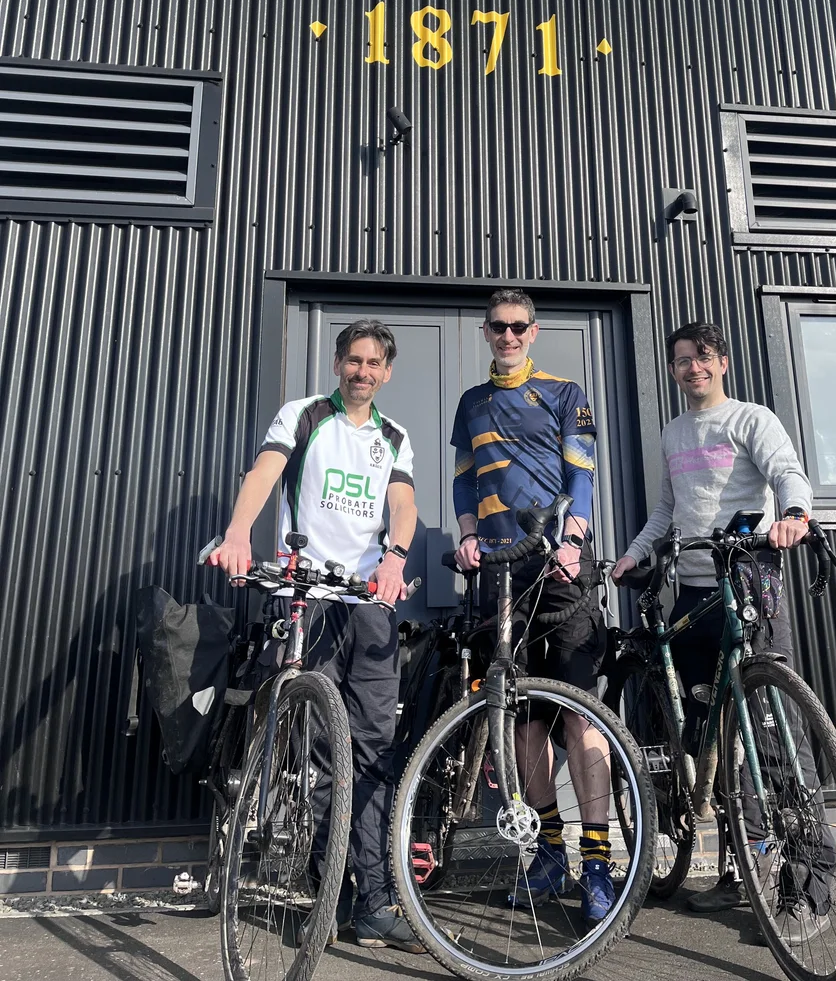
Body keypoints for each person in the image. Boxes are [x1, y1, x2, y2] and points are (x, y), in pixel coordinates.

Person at [612, 320, 836, 946]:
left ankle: (808, 883)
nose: (693, 368)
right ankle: (743, 871)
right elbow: (666, 510)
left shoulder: (751, 419)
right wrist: (635, 553)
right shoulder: (673, 432)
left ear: (723, 362)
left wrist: (794, 515)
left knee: (775, 733)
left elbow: (787, 473)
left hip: (749, 579)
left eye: (703, 357)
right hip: (692, 589)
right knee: (713, 734)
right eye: (682, 360)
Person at [209, 318, 423, 953]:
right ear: (337, 364)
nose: (362, 372)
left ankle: (374, 901)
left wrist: (396, 557)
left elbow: (403, 504)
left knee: (375, 749)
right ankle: (329, 892)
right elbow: (264, 472)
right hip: (309, 595)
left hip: (369, 602)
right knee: (326, 750)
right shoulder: (304, 416)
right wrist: (238, 533)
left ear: (387, 373)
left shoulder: (394, 436)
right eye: (353, 360)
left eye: (374, 363)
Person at [451, 288, 614, 926]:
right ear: (486, 332)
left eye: (519, 326)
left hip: (560, 564)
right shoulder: (471, 402)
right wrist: (468, 533)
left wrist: (574, 538)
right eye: (499, 326)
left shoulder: (565, 392)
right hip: (500, 573)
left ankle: (597, 862)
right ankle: (548, 852)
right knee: (524, 722)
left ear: (534, 331)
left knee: (581, 715)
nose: (509, 336)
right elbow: (464, 476)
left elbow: (583, 469)